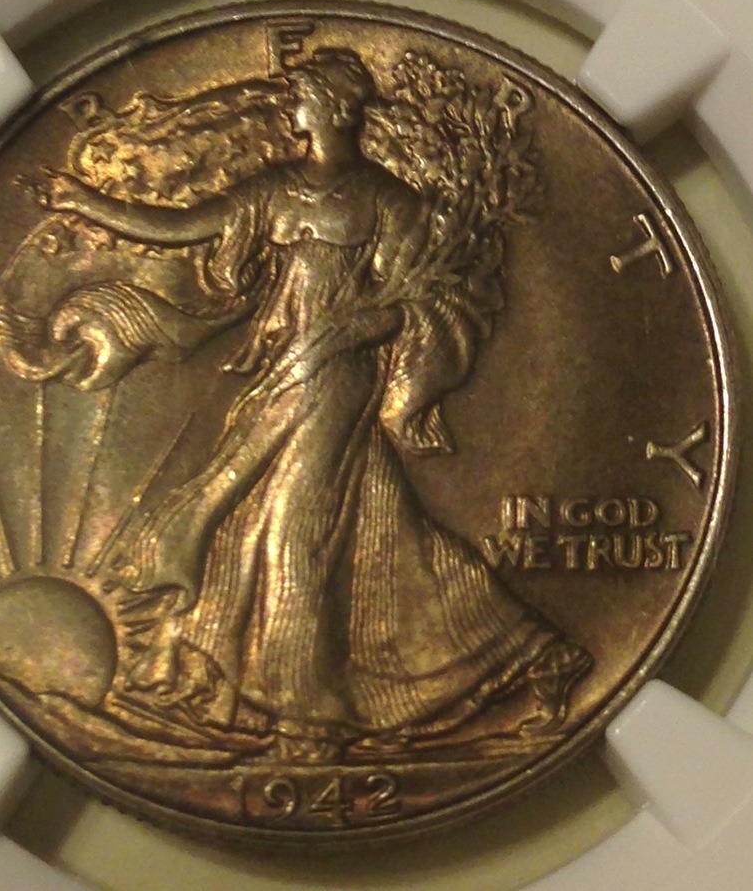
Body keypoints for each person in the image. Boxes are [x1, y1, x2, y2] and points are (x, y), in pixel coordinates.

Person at [40, 48, 591, 761]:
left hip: (337, 380)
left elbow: (424, 299)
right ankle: (536, 656)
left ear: (332, 108)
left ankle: (309, 719)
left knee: (291, 537)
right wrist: (86, 202)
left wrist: (361, 326)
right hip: (282, 374)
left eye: (301, 98)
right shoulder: (275, 189)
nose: (292, 110)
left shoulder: (387, 201)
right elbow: (183, 225)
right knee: (368, 530)